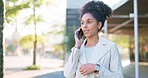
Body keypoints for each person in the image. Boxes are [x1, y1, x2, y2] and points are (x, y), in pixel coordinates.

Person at [64, 1, 124, 78]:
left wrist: (97, 68)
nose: (84, 26)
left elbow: (118, 76)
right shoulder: (78, 49)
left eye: (89, 22)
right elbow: (68, 75)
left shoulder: (110, 47)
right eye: (82, 23)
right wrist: (77, 45)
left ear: (99, 24)